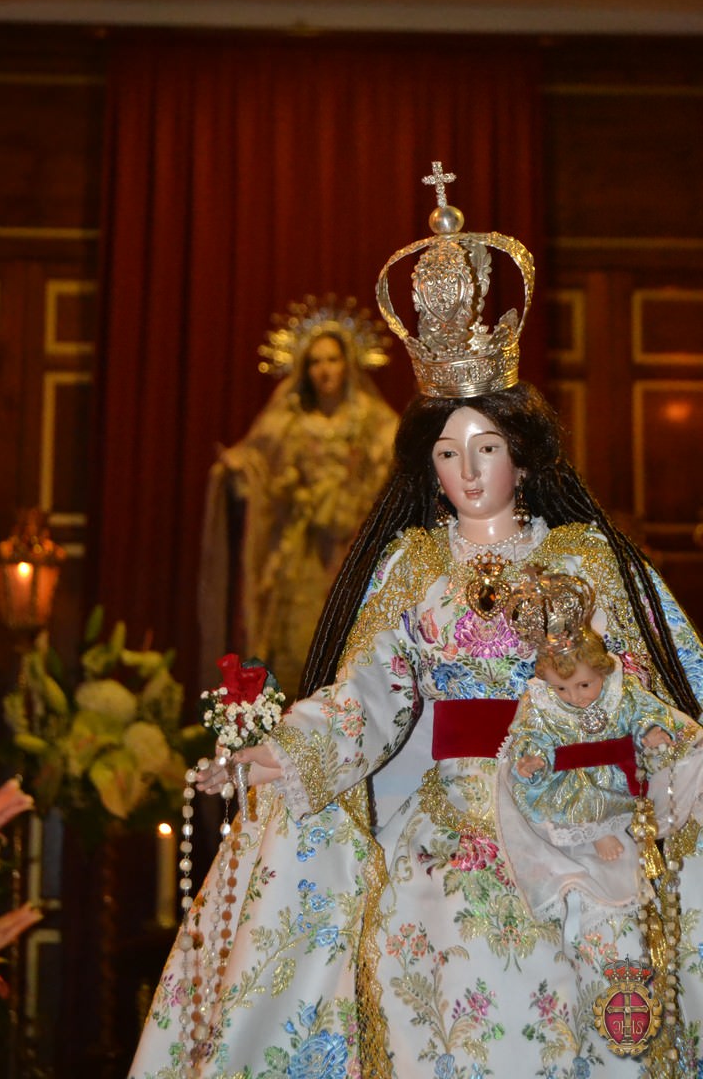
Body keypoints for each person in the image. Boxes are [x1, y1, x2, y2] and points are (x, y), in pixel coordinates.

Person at [131, 165, 703, 1079]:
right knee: (420, 960)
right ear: (426, 468)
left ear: (523, 455)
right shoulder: (411, 568)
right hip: (443, 830)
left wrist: (678, 762)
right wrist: (282, 751)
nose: (468, 471)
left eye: (487, 448)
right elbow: (366, 700)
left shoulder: (589, 561)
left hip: (572, 816)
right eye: (447, 452)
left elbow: (655, 694)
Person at [198, 295, 399, 700]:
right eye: (315, 361)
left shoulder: (374, 420)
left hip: (355, 551)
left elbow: (396, 468)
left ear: (348, 363)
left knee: (352, 646)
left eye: (332, 360)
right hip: (302, 556)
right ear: (304, 369)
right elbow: (257, 464)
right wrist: (239, 473)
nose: (325, 370)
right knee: (299, 646)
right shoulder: (289, 421)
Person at [496, 569, 703, 940]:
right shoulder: (540, 700)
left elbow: (643, 712)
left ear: (601, 671)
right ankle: (596, 837)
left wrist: (651, 732)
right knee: (577, 801)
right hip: (569, 779)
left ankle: (611, 837)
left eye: (583, 685)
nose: (574, 697)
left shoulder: (619, 690)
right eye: (562, 688)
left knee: (630, 803)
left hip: (615, 773)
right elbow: (530, 733)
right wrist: (531, 758)